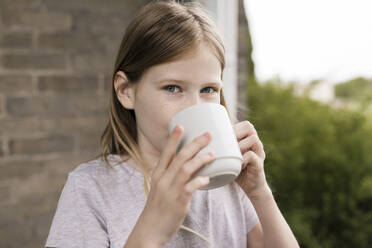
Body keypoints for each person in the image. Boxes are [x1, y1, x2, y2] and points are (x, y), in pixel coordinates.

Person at [45, 1, 300, 247]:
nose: (195, 106)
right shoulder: (91, 189)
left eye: (208, 89)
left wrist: (260, 193)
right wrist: (150, 231)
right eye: (173, 88)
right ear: (126, 91)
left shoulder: (229, 183)